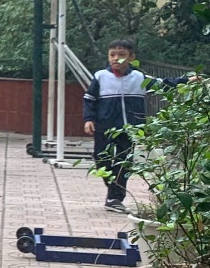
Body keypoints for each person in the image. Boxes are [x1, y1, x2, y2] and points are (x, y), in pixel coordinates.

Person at [81, 39, 189, 213]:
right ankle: (113, 191)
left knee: (125, 163)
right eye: (112, 55)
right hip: (105, 127)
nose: (116, 59)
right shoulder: (101, 76)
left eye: (122, 55)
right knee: (101, 160)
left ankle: (115, 198)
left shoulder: (139, 78)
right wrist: (88, 119)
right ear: (108, 57)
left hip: (130, 128)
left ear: (131, 58)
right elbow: (90, 99)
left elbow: (163, 84)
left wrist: (187, 81)